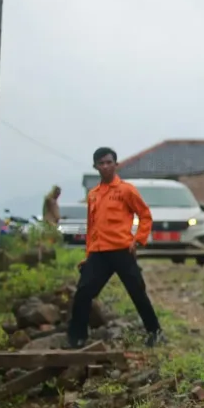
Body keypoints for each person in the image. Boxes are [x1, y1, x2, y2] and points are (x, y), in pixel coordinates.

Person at [67, 148, 163, 349]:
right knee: (83, 292)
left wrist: (137, 240)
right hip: (99, 253)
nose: (105, 166)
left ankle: (155, 331)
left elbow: (145, 215)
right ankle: (77, 337)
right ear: (95, 167)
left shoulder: (126, 190)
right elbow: (92, 227)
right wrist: (88, 255)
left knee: (137, 291)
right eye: (101, 163)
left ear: (115, 164)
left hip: (122, 251)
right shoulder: (93, 195)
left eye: (109, 162)